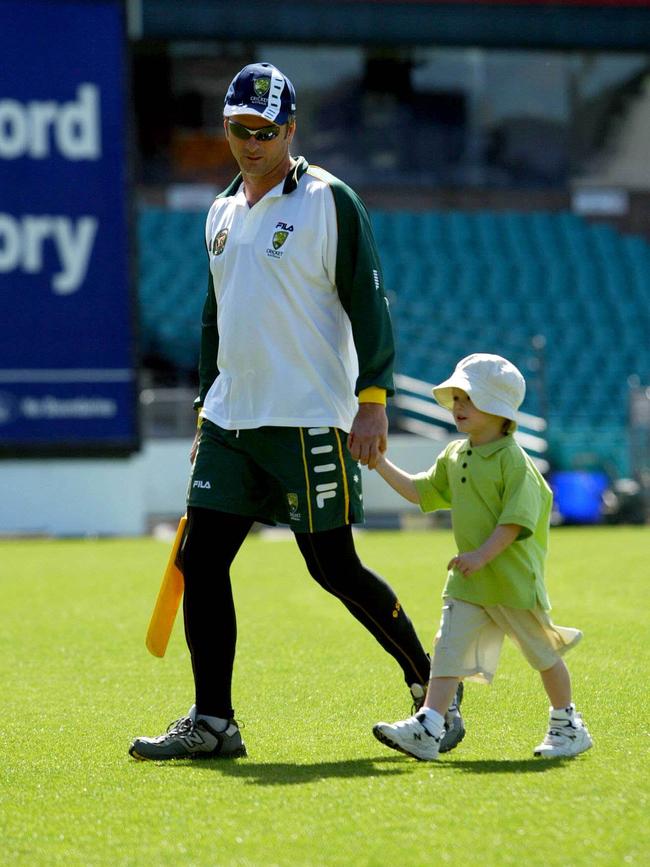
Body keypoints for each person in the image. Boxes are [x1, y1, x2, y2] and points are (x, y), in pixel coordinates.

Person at [129, 62, 463, 761]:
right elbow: (214, 320)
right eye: (238, 129)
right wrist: (203, 406)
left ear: (290, 129)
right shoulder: (219, 211)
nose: (250, 142)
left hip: (309, 417)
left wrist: (372, 400)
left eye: (264, 130)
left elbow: (368, 303)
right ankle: (214, 720)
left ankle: (433, 688)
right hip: (231, 421)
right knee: (201, 556)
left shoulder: (328, 201)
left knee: (332, 566)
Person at [371, 353, 593, 761]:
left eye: (467, 399)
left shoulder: (515, 462)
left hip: (511, 581)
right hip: (471, 581)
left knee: (542, 654)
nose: (457, 407)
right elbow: (422, 492)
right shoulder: (456, 454)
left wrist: (481, 555)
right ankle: (429, 725)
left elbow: (515, 521)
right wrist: (380, 463)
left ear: (499, 410)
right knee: (447, 649)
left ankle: (567, 723)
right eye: (456, 399)